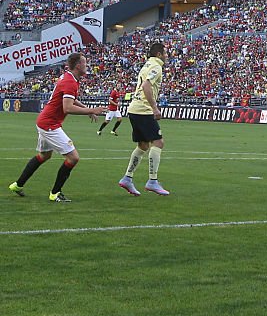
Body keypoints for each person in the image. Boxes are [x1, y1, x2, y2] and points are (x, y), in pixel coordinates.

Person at [8, 53, 106, 202]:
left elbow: (70, 99)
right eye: (85, 63)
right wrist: (92, 110)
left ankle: (17, 185)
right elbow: (67, 108)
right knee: (73, 158)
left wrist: (86, 108)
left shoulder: (68, 77)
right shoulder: (70, 82)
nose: (87, 66)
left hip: (45, 121)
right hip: (49, 124)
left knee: (44, 156)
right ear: (78, 65)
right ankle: (55, 193)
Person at [118, 42, 170, 197]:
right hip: (143, 109)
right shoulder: (156, 66)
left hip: (134, 109)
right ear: (159, 54)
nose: (167, 56)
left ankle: (127, 178)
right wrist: (154, 107)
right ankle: (152, 181)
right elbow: (147, 86)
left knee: (143, 145)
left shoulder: (147, 64)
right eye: (165, 53)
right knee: (158, 142)